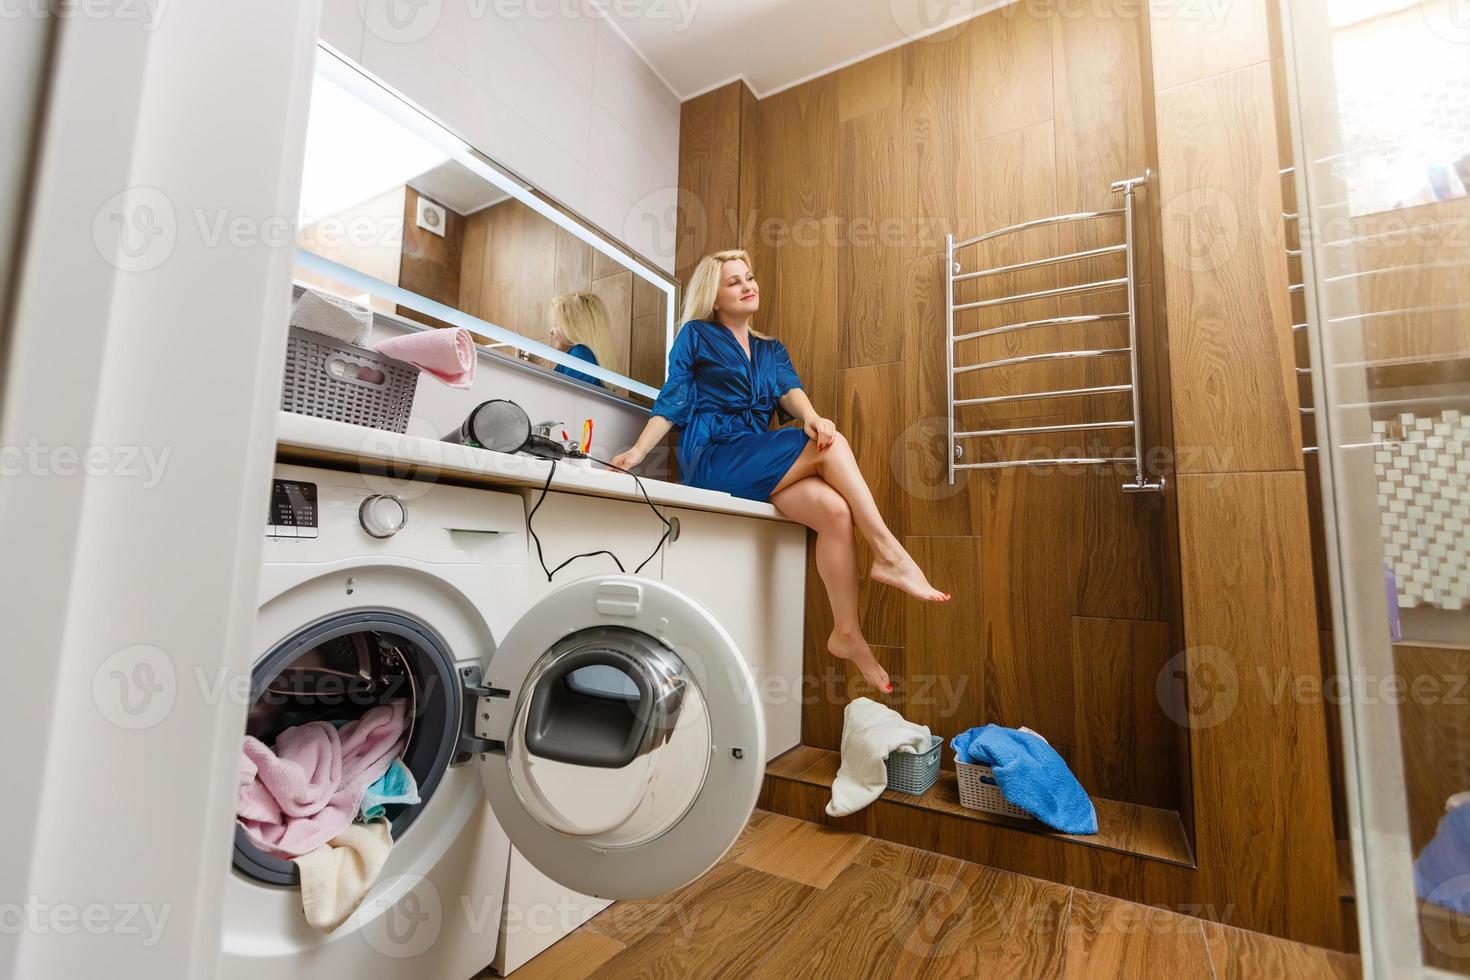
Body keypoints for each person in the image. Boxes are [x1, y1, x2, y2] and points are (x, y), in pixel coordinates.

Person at [611, 249, 949, 693]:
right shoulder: (696, 335)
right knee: (830, 448)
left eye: (749, 277)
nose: (748, 285)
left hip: (757, 458)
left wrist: (814, 417)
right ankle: (888, 552)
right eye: (734, 282)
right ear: (714, 297)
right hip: (714, 455)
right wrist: (637, 452)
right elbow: (674, 398)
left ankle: (846, 632)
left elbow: (791, 393)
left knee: (834, 510)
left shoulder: (772, 349)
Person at [548, 291, 613, 388]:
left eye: (556, 325)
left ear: (574, 327)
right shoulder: (584, 356)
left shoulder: (580, 355)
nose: (551, 332)